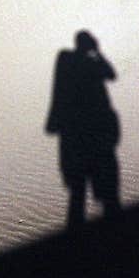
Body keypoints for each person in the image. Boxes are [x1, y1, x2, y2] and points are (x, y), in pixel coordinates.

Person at [45, 30, 121, 228]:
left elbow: (111, 75)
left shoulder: (67, 60)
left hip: (79, 139)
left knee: (79, 193)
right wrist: (98, 52)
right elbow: (111, 73)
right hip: (92, 139)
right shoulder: (83, 62)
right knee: (101, 194)